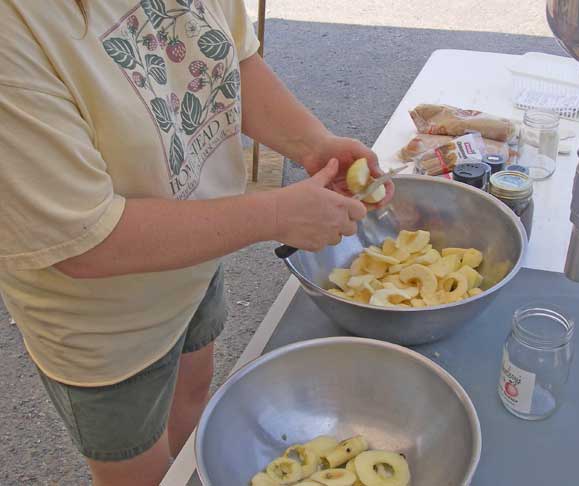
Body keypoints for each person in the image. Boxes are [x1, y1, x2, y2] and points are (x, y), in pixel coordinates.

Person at [0, 1, 393, 484]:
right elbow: (85, 242)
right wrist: (273, 214)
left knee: (192, 394)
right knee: (140, 472)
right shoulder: (16, 31)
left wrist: (313, 143)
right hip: (107, 331)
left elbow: (227, 62)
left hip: (198, 255)